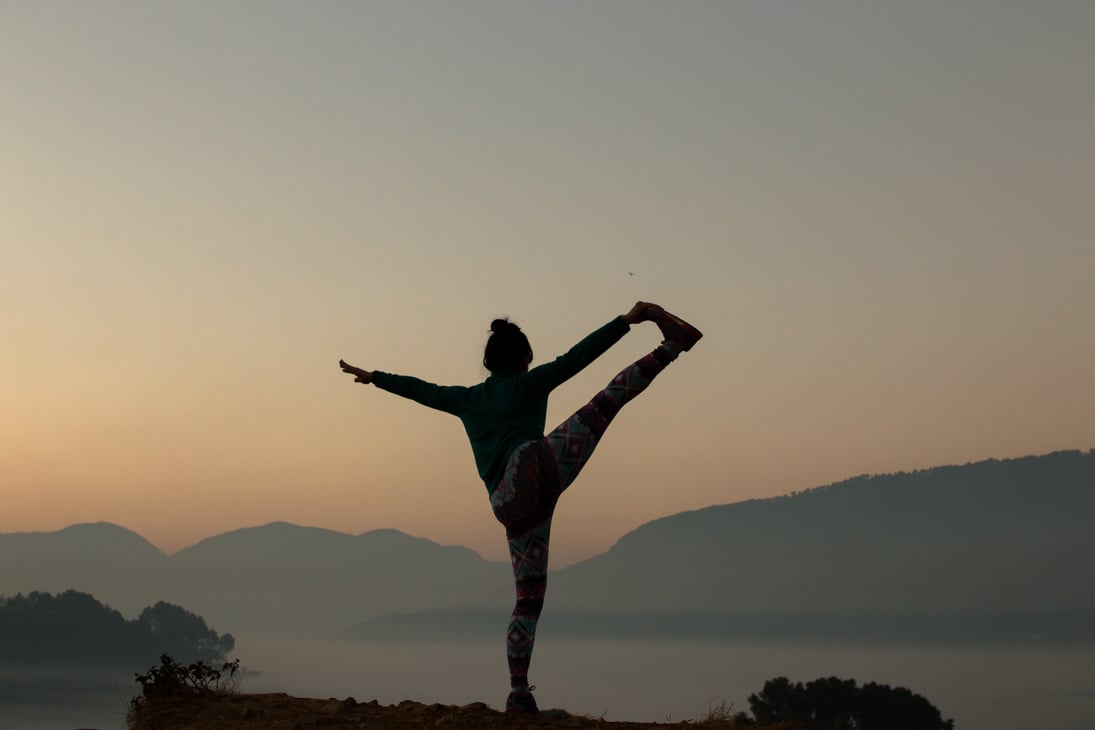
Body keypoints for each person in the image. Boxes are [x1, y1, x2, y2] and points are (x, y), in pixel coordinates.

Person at [338, 302, 702, 714]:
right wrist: (626, 321)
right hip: (537, 467)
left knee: (527, 600)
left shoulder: (466, 399)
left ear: (488, 363)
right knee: (605, 404)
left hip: (511, 507)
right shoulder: (532, 383)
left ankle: (518, 693)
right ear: (526, 359)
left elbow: (424, 390)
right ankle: (672, 346)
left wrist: (376, 378)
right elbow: (580, 356)